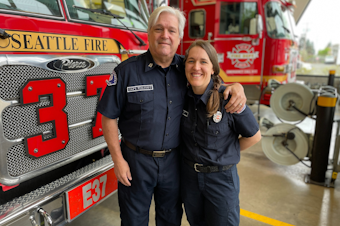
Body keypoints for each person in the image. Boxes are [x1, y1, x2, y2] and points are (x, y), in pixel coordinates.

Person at [97, 6, 247, 226]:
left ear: (180, 37)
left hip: (175, 163)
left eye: (171, 30)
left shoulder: (187, 69)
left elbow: (211, 82)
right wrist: (118, 161)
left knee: (170, 219)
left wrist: (237, 87)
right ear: (149, 32)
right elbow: (108, 117)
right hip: (135, 161)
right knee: (133, 221)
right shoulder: (126, 72)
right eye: (159, 29)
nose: (165, 35)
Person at [180, 40, 261, 226]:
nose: (196, 67)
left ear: (214, 69)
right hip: (190, 179)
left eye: (203, 62)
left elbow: (254, 136)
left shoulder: (229, 98)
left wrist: (227, 152)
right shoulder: (182, 97)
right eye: (191, 61)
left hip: (221, 180)